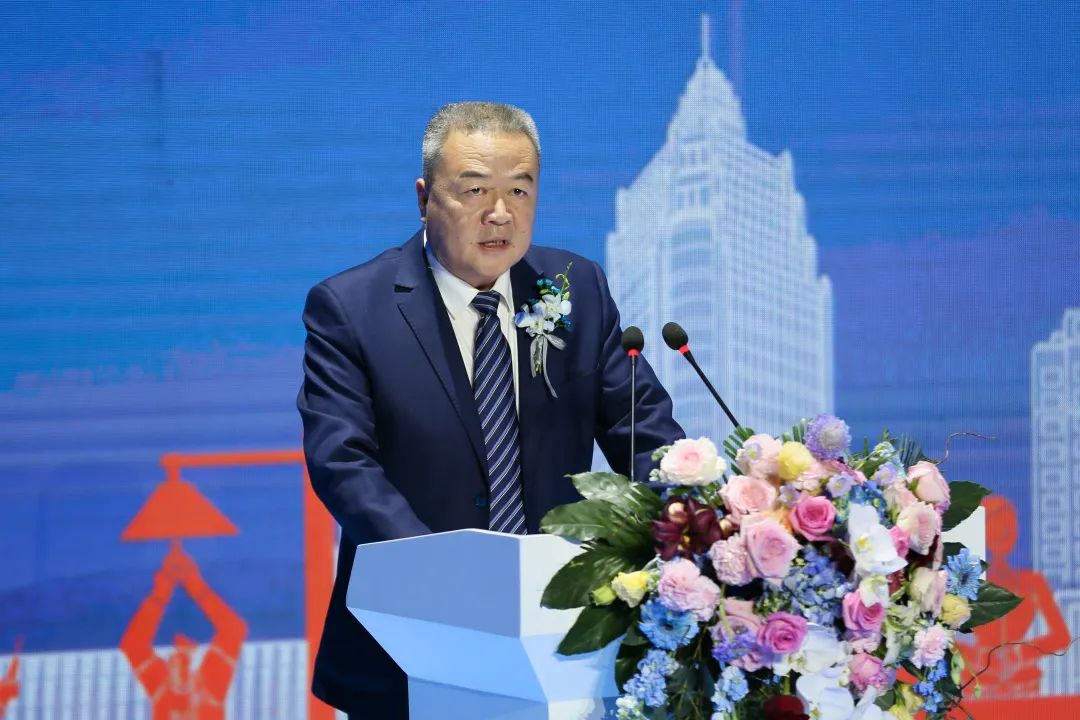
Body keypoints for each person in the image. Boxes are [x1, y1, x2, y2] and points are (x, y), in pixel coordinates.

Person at [297, 101, 683, 719]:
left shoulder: (574, 287)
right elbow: (342, 463)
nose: (500, 212)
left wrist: (689, 520)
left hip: (568, 640)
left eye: (519, 190)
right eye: (475, 189)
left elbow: (641, 433)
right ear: (424, 197)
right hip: (409, 640)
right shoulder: (352, 308)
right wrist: (447, 575)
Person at [120, 544, 248, 719]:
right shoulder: (207, 688)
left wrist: (169, 588)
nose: (180, 664)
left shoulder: (169, 689)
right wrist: (187, 583)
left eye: (181, 660)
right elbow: (234, 630)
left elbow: (133, 645)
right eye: (177, 659)